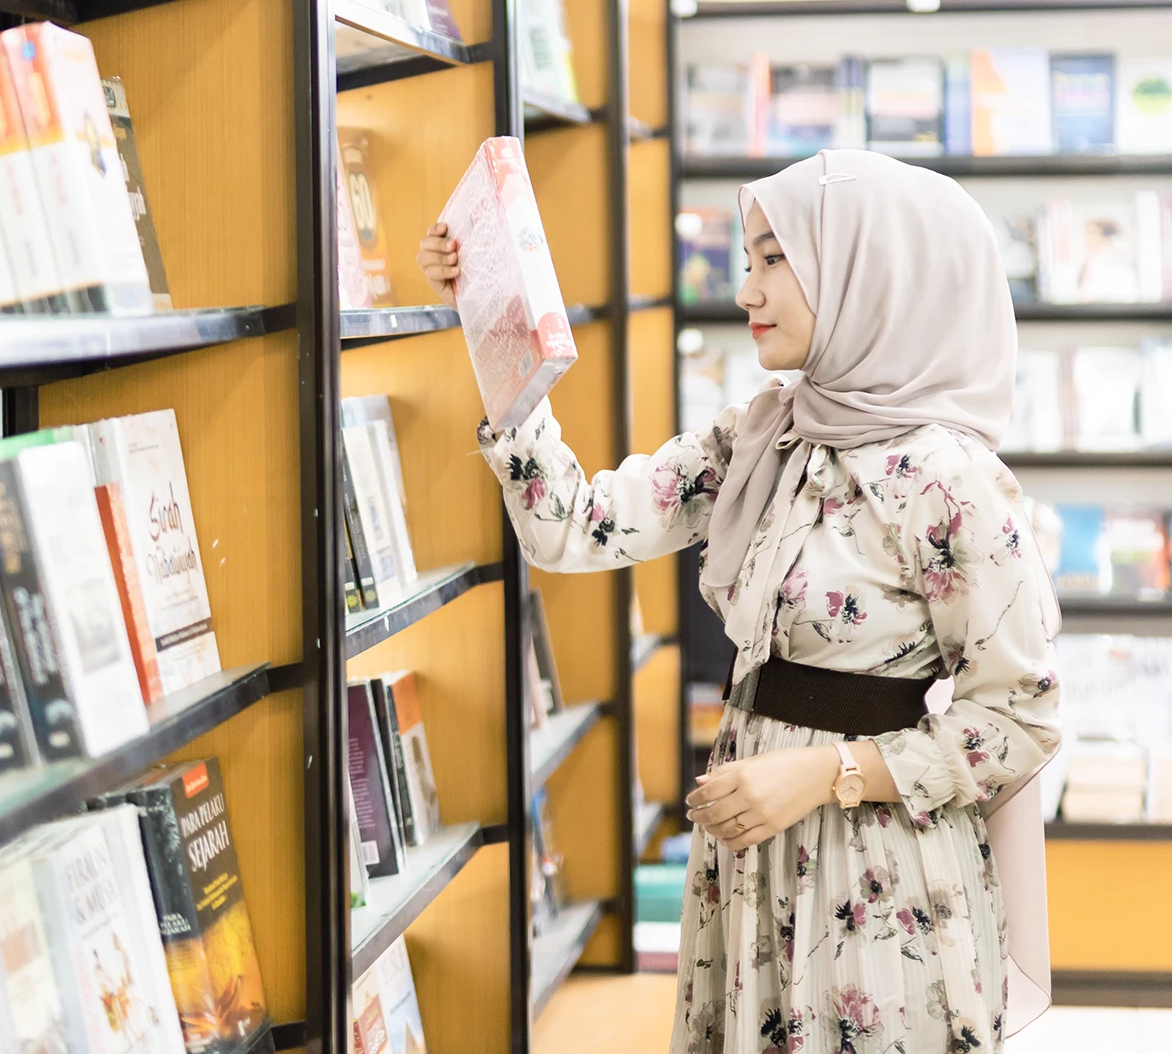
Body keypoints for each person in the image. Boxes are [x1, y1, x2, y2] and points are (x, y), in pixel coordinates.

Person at [418, 148, 1061, 1054]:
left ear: (860, 271)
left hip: (875, 875)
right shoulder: (763, 434)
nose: (745, 292)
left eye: (772, 260)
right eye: (746, 261)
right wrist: (490, 308)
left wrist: (824, 775)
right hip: (751, 863)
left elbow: (1018, 721)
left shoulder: (950, 481)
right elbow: (574, 525)